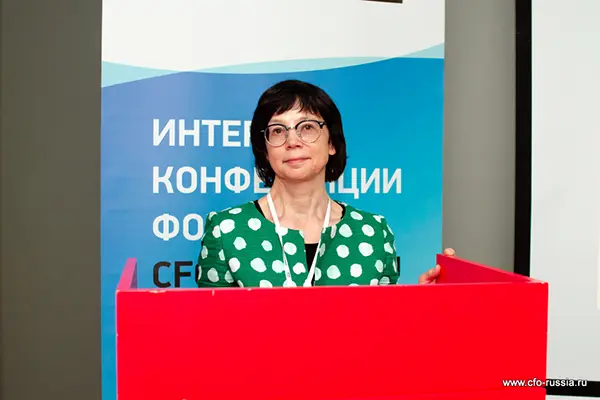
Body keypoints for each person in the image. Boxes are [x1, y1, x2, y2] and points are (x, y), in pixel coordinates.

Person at [196, 79, 453, 288]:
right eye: (278, 131)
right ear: (264, 150)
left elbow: (384, 327)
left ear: (331, 143)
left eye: (307, 127)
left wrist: (421, 303)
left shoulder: (373, 232)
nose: (292, 141)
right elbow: (209, 327)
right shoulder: (226, 231)